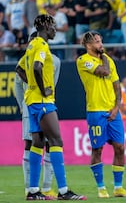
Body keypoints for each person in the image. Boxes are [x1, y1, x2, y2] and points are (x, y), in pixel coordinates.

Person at [19, 14, 86, 200]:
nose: (55, 29)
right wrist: (43, 90)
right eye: (53, 26)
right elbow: (38, 68)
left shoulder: (30, 46)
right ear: (46, 26)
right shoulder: (41, 44)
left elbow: (19, 69)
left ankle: (33, 191)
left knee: (38, 143)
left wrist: (32, 85)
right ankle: (63, 191)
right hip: (42, 102)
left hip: (31, 100)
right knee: (56, 142)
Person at [76, 31, 126, 198]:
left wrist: (117, 107)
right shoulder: (83, 61)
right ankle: (101, 188)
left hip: (112, 111)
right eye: (96, 42)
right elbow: (103, 72)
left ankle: (118, 187)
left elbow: (116, 85)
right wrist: (104, 58)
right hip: (96, 111)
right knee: (97, 149)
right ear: (88, 45)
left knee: (120, 148)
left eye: (101, 41)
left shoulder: (108, 59)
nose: (100, 44)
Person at [15, 31, 61, 199]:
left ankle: (45, 187)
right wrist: (23, 107)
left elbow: (52, 82)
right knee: (33, 143)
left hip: (44, 103)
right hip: (33, 105)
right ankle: (31, 188)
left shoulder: (53, 60)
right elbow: (17, 85)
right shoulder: (28, 59)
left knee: (47, 143)